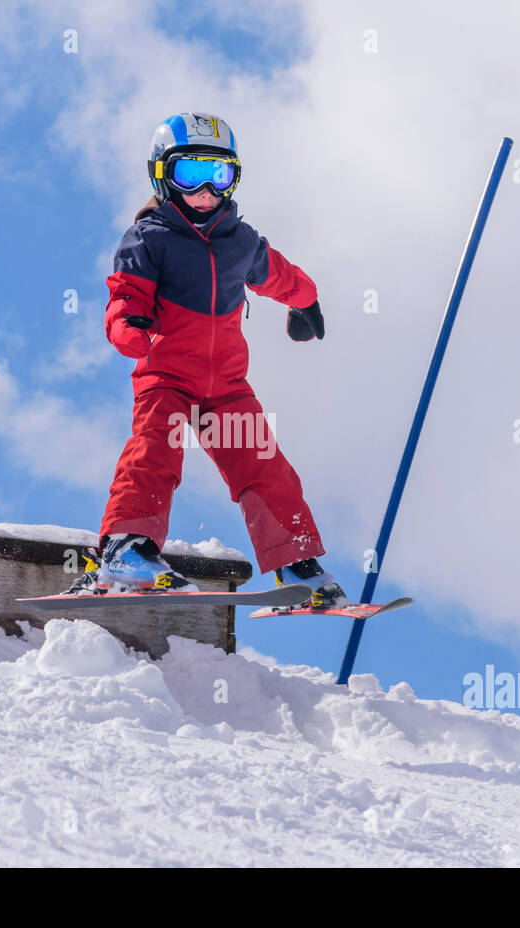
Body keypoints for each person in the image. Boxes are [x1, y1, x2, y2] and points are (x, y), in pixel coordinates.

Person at [67, 111, 346, 610]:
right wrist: (127, 329)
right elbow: (124, 295)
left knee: (265, 467)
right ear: (162, 176)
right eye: (189, 174)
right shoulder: (150, 238)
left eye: (218, 175)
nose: (204, 190)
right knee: (154, 454)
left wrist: (306, 301)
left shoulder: (240, 240)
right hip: (166, 378)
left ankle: (298, 564)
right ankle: (126, 549)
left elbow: (277, 273)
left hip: (228, 390)